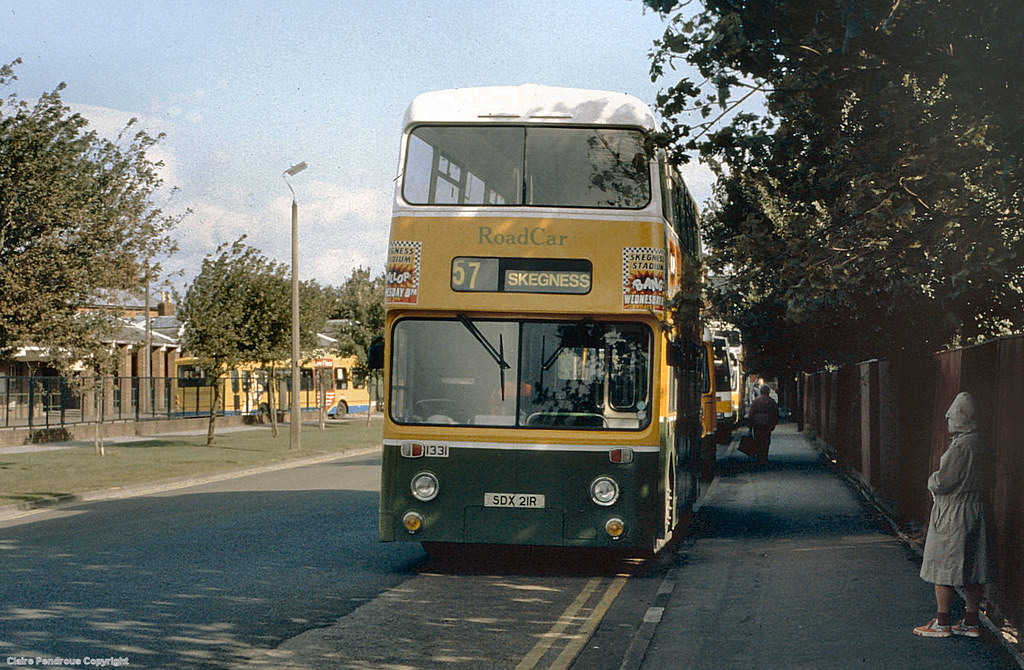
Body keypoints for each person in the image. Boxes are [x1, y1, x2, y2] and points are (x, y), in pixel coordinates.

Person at [913, 392, 995, 639]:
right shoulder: (983, 442)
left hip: (954, 510)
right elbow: (992, 478)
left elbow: (944, 481)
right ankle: (971, 621)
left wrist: (931, 480)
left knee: (944, 564)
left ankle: (942, 622)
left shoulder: (960, 446)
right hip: (977, 508)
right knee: (974, 564)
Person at [748, 384, 779, 464]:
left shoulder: (756, 401)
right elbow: (775, 413)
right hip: (767, 423)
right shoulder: (771, 401)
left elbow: (751, 413)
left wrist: (750, 426)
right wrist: (774, 423)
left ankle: (759, 456)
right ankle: (764, 456)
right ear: (768, 392)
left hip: (757, 423)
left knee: (758, 439)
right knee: (766, 440)